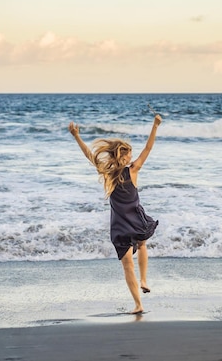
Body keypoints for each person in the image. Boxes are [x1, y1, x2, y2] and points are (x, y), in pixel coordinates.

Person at [69, 114, 162, 314]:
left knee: (142, 243)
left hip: (135, 216)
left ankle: (144, 280)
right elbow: (89, 155)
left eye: (130, 155)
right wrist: (77, 136)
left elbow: (148, 149)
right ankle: (138, 304)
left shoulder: (133, 170)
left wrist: (155, 125)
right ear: (119, 155)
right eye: (127, 155)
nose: (130, 158)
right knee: (127, 264)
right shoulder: (108, 173)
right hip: (119, 223)